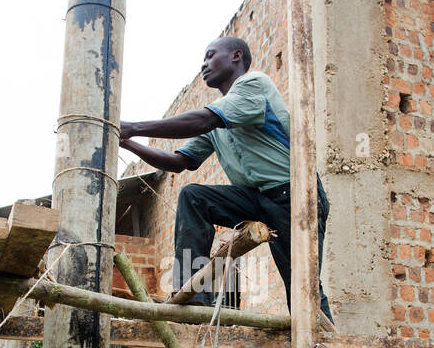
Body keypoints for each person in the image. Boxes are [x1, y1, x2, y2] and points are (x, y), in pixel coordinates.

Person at [119, 36, 332, 319]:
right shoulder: (217, 119)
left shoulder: (254, 85)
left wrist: (133, 127)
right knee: (193, 197)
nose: (204, 64)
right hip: (257, 199)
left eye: (210, 56)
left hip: (294, 197)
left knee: (304, 290)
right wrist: (126, 141)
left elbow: (205, 120)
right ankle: (195, 294)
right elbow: (179, 162)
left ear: (236, 55)